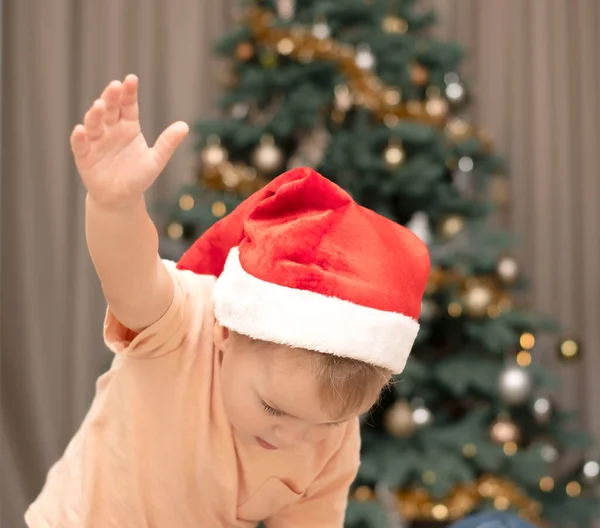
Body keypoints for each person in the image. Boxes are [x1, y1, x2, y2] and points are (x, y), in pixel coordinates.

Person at [25, 74, 430, 527]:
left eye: (326, 425)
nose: (296, 436)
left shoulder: (331, 428)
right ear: (227, 331)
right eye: (274, 408)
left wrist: (327, 427)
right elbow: (130, 281)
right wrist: (115, 206)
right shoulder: (186, 324)